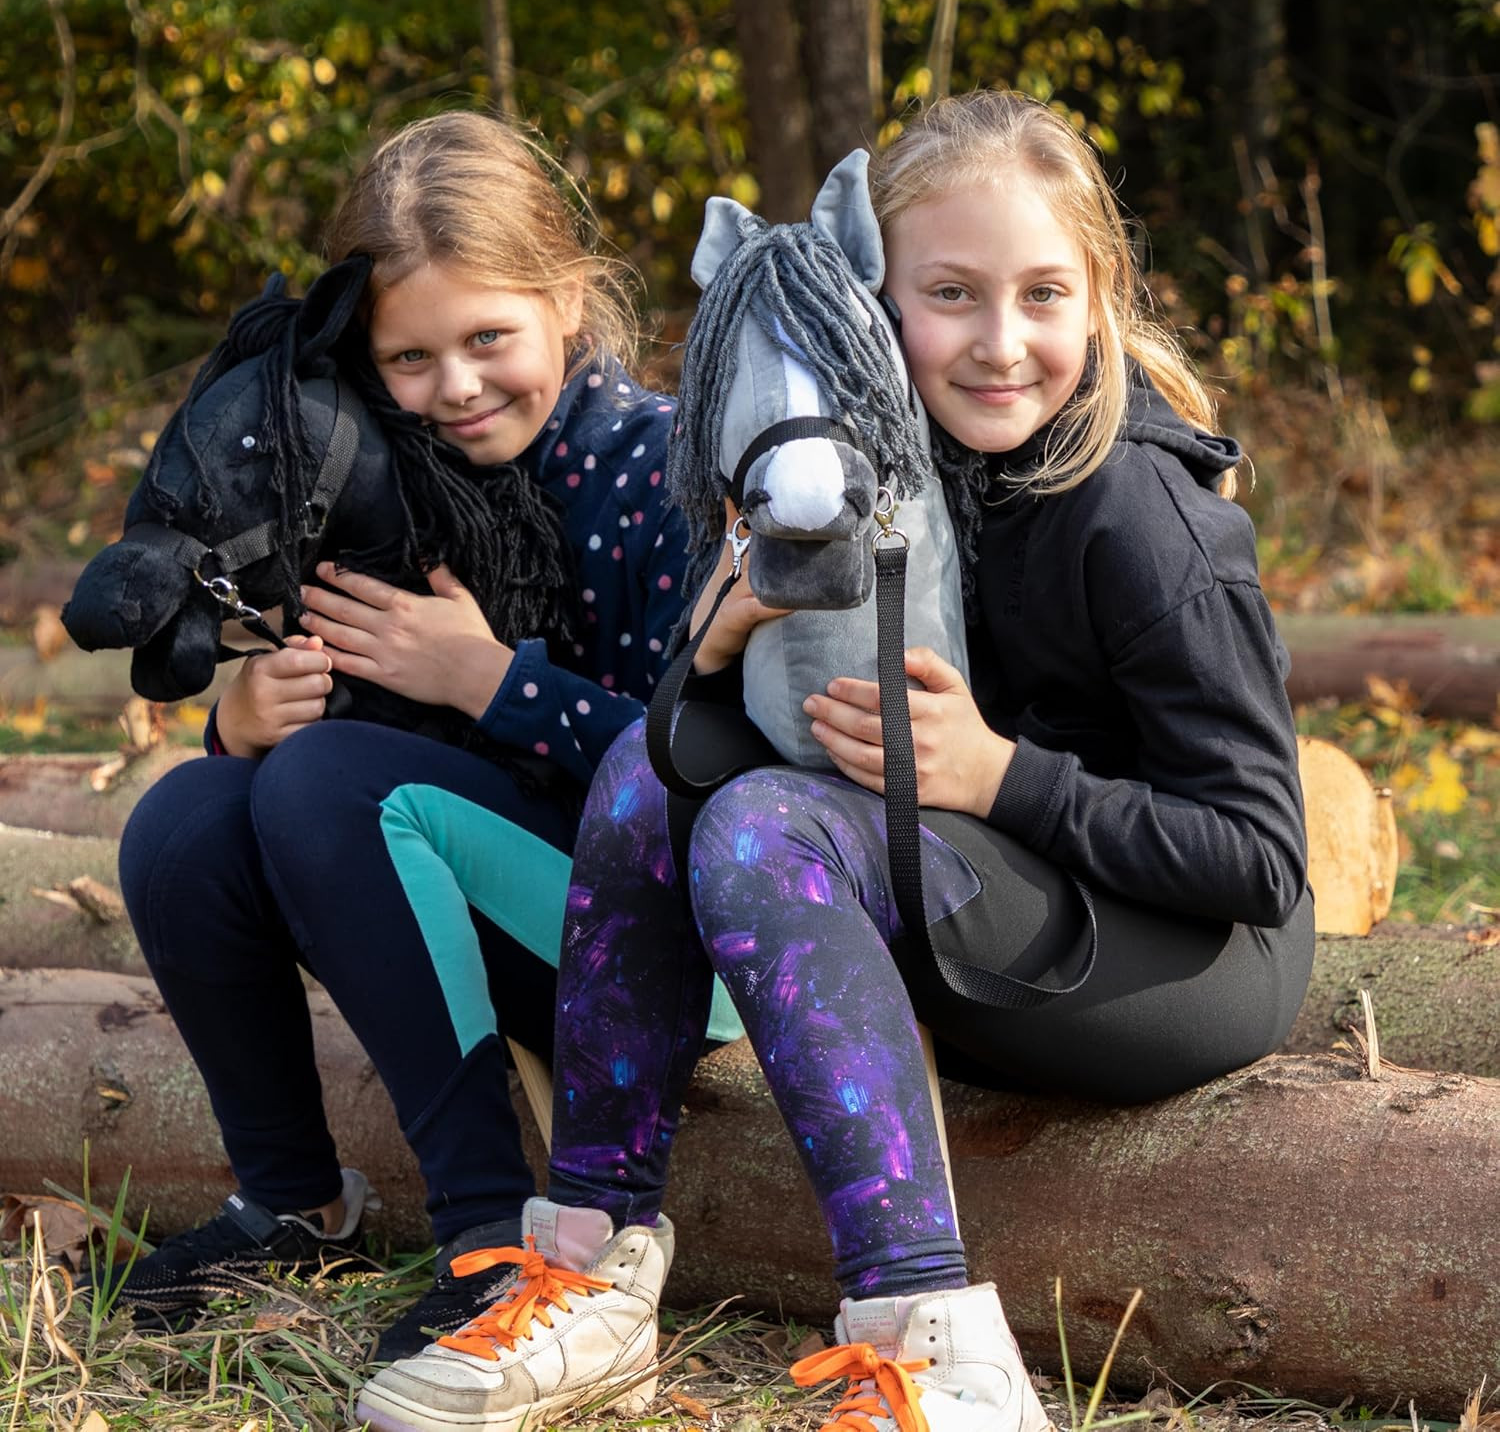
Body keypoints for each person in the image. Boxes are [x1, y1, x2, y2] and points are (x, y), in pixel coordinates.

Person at [355, 88, 1315, 1432]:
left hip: (1173, 957)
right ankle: (592, 1268)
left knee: (764, 830)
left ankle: (938, 1352)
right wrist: (712, 650)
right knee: (653, 772)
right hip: (984, 884)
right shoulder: (873, 456)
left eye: (1043, 295)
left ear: (1098, 297)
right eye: (950, 295)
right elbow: (717, 759)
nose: (999, 343)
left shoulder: (1139, 511)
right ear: (874, 298)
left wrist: (997, 775)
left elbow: (1259, 860)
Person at [105, 109, 740, 1360]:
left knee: (328, 785)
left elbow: (710, 775)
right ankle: (291, 1200)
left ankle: (491, 1236)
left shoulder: (666, 468)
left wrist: (490, 681)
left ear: (567, 299)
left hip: (663, 938)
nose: (455, 385)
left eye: (488, 337)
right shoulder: (378, 477)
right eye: (410, 357)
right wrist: (246, 717)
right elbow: (348, 747)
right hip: (450, 876)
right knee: (185, 817)